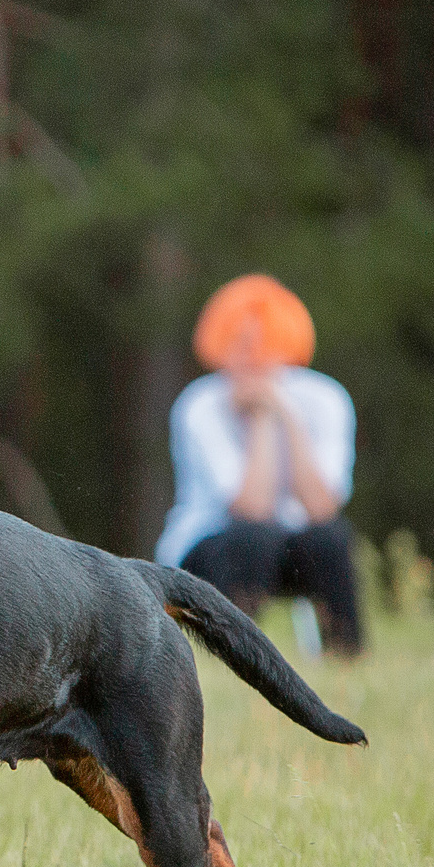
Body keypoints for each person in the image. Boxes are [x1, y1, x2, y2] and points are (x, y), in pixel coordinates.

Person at [152, 273, 363, 657]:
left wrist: (283, 413)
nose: (252, 358)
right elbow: (251, 508)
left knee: (330, 540)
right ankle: (235, 655)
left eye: (264, 344)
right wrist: (263, 422)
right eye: (239, 344)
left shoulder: (325, 398)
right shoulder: (199, 405)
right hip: (212, 544)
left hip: (288, 540)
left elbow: (323, 507)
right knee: (253, 538)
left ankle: (345, 651)